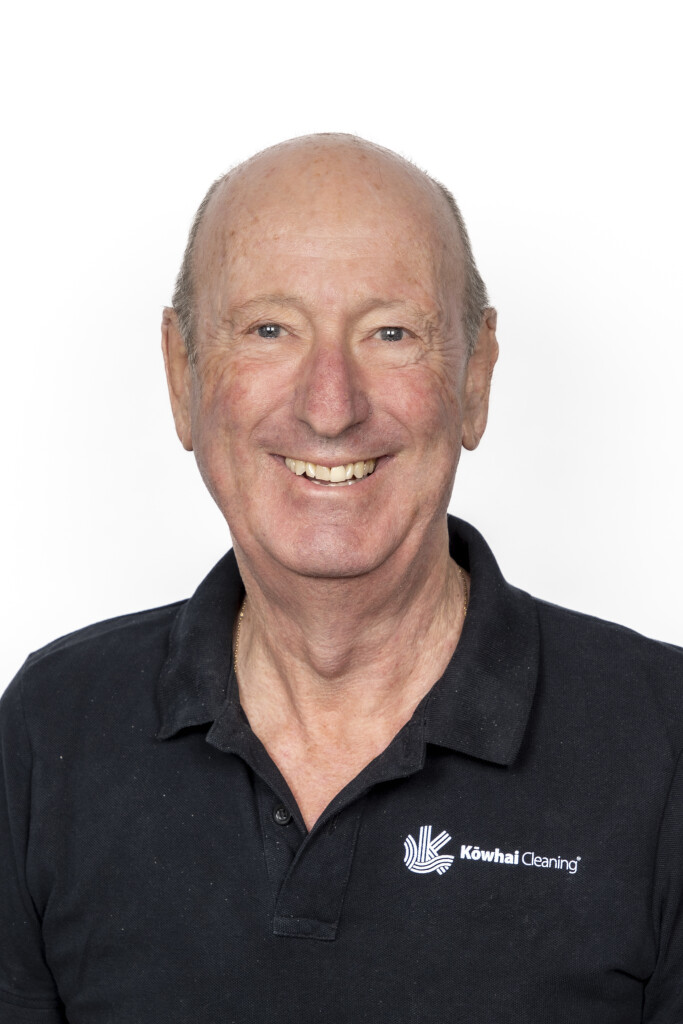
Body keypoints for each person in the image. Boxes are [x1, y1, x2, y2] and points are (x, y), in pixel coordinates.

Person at [1, 134, 682, 1024]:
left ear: (475, 378)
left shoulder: (663, 741)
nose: (330, 407)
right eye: (269, 330)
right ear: (181, 376)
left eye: (391, 333)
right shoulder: (52, 725)